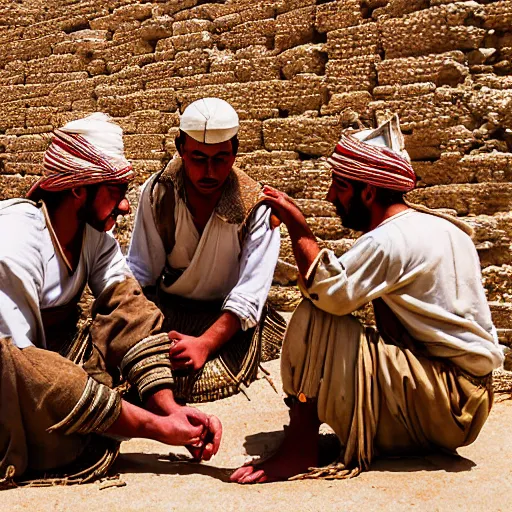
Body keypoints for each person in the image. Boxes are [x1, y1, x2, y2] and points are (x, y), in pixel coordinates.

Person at [231, 115, 504, 484]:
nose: (331, 197)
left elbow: (330, 294)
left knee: (318, 316)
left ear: (370, 192)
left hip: (445, 398)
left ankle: (300, 447)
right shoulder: (441, 227)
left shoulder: (389, 240)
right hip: (468, 401)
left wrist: (299, 228)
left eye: (341, 187)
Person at [0, 113, 221, 488]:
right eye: (116, 191)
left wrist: (170, 407)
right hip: (10, 369)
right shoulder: (14, 240)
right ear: (78, 190)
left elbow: (128, 306)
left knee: (126, 316)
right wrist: (157, 428)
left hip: (38, 358)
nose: (124, 207)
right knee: (53, 378)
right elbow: (18, 365)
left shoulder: (94, 239)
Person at [127, 98, 285, 404]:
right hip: (168, 312)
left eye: (220, 159)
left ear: (235, 153)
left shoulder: (257, 206)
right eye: (198, 158)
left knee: (198, 385)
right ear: (181, 150)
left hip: (226, 322)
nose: (210, 171)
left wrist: (204, 344)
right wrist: (141, 329)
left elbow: (250, 294)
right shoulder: (160, 193)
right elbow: (141, 271)